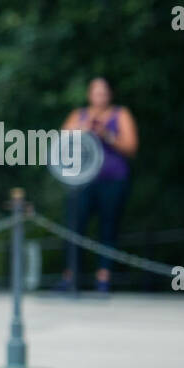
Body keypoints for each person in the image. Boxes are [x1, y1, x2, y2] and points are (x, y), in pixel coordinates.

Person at [57, 77, 137, 292]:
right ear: (89, 94)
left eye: (103, 92)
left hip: (113, 180)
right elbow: (61, 140)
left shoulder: (121, 114)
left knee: (108, 227)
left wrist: (107, 135)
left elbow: (131, 147)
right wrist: (83, 129)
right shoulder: (79, 115)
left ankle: (104, 277)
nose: (99, 96)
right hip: (83, 181)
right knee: (75, 226)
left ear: (110, 94)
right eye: (96, 92)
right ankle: (70, 276)